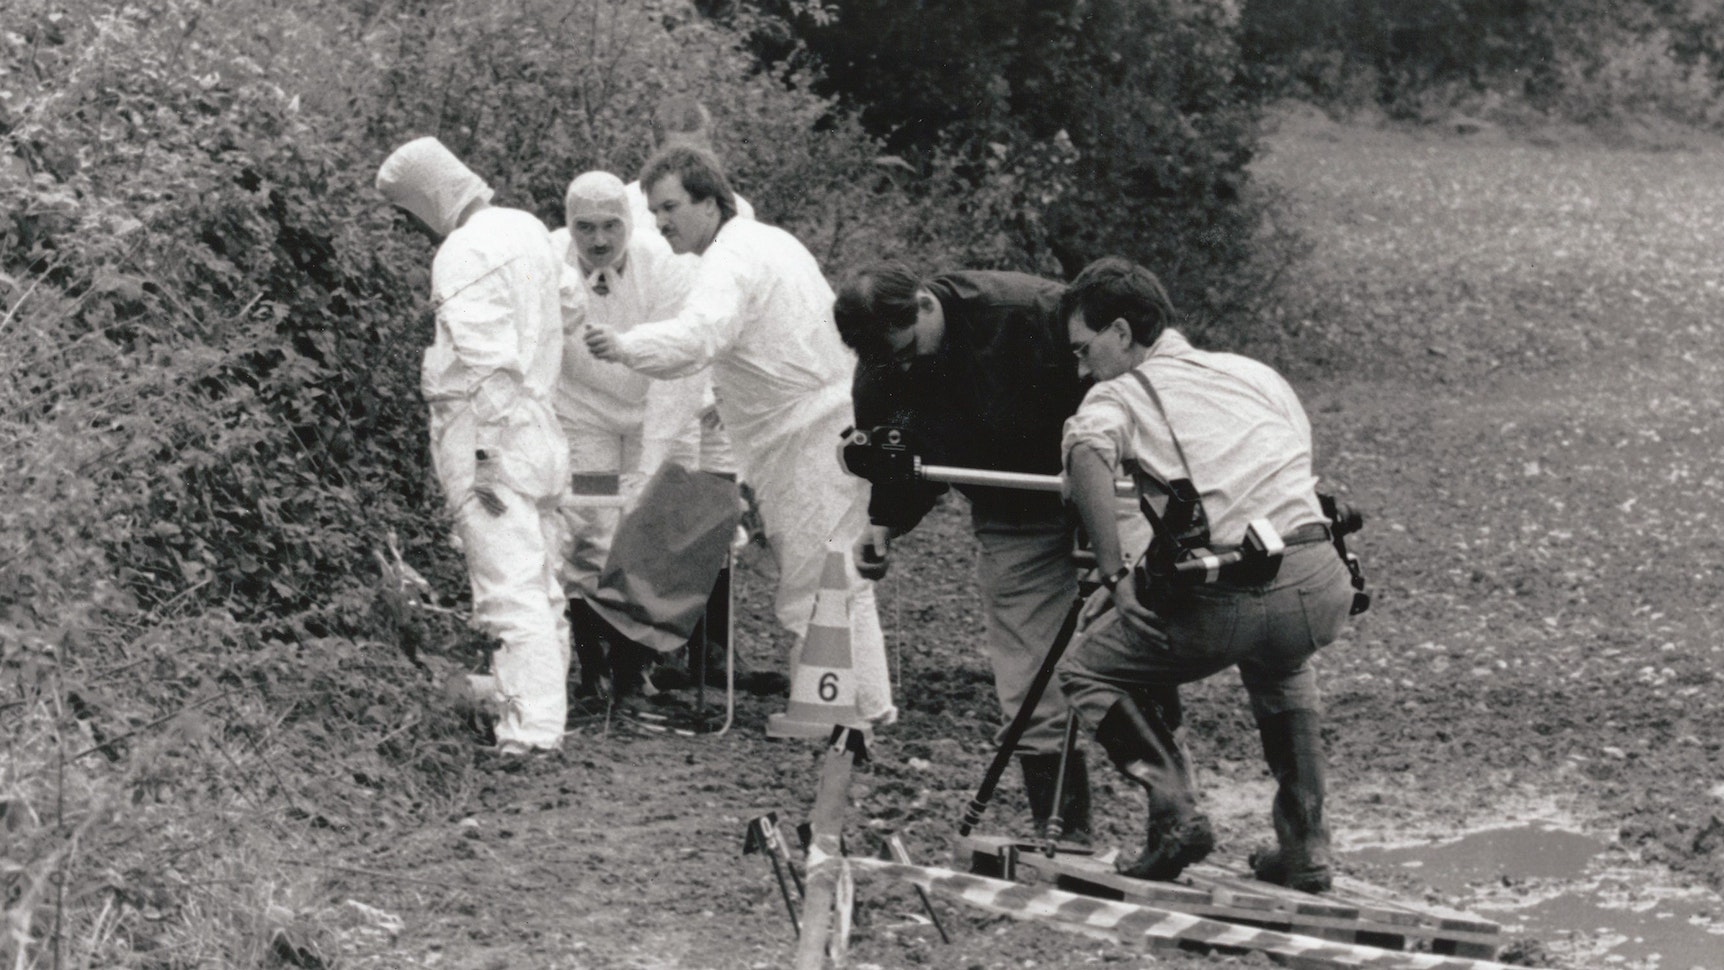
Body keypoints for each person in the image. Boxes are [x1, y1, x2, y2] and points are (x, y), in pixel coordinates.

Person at [1056, 256, 1355, 890]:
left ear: (1120, 332)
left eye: (1084, 349)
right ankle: (1306, 848)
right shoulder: (1254, 374)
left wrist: (1114, 575)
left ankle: (1176, 813)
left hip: (1227, 598)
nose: (1082, 368)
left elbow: (1085, 451)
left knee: (1086, 670)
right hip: (1319, 580)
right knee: (1284, 665)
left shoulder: (1119, 394)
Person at [584, 146, 896, 728]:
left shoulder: (730, 259)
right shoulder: (768, 241)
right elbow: (758, 347)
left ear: (710, 202)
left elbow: (698, 338)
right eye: (654, 212)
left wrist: (625, 346)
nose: (662, 222)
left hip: (808, 438)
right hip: (820, 429)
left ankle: (837, 716)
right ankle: (866, 709)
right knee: (838, 578)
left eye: (671, 207)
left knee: (817, 585)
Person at [833, 263, 1094, 840]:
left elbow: (1117, 384)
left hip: (1098, 496)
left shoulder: (1030, 313)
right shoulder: (882, 365)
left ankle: (1173, 817)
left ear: (925, 303)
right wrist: (884, 522)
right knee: (1028, 679)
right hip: (1010, 513)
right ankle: (1065, 836)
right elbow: (899, 454)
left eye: (907, 351)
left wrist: (1105, 497)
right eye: (888, 361)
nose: (902, 368)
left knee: (1139, 652)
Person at [376, 137, 571, 755]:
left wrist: (484, 459)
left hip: (493, 436)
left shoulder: (463, 251)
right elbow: (569, 307)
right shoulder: (528, 228)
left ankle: (531, 731)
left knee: (508, 587)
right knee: (541, 584)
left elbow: (491, 364)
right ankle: (541, 713)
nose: (411, 228)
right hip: (538, 430)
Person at [549, 171, 705, 701]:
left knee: (646, 528)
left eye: (610, 226)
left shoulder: (665, 263)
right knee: (588, 526)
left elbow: (680, 357)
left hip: (650, 409)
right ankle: (591, 666)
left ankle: (632, 668)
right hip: (582, 411)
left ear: (629, 222)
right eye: (585, 227)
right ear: (568, 224)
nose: (598, 240)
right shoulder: (548, 258)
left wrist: (658, 453)